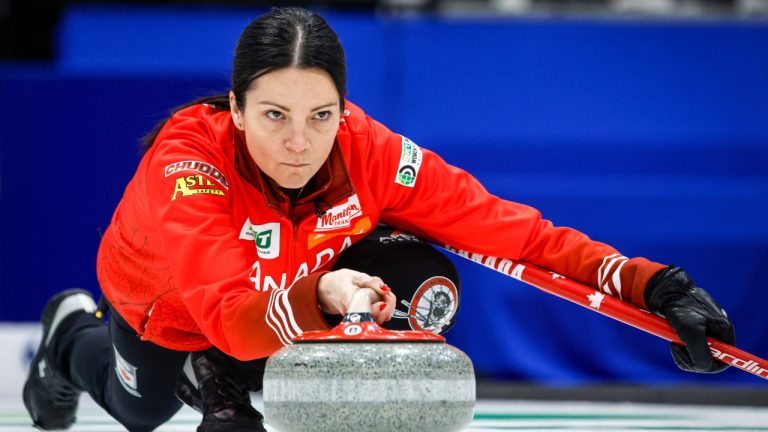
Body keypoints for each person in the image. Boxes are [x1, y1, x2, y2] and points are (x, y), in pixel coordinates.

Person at [22, 6, 735, 432]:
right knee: (137, 412)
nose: (299, 143)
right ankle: (69, 336)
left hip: (288, 289)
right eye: (273, 116)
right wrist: (323, 294)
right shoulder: (191, 166)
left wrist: (654, 288)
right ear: (235, 111)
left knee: (426, 281)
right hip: (176, 307)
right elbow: (233, 321)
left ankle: (242, 383)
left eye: (320, 116)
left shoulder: (371, 154)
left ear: (343, 111)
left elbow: (519, 237)